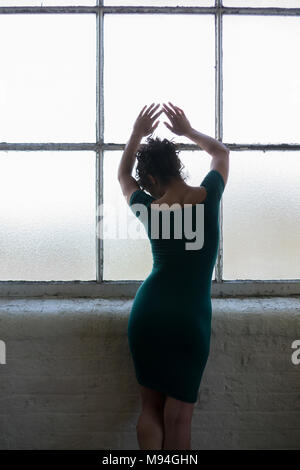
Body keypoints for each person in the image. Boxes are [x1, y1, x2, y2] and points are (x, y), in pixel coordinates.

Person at [117, 102, 230, 450]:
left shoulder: (151, 209)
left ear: (150, 179)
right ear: (177, 166)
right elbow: (221, 153)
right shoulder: (207, 196)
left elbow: (123, 177)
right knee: (178, 417)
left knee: (150, 408)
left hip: (148, 314)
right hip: (189, 319)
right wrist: (188, 131)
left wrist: (136, 134)